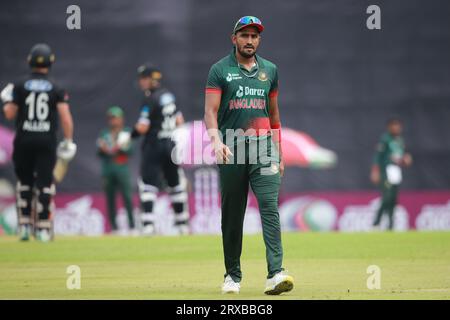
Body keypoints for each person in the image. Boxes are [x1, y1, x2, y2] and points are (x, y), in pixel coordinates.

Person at [203, 16, 294, 295]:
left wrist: (278, 152)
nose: (250, 41)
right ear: (234, 39)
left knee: (269, 206)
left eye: (254, 36)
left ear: (259, 40)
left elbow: (274, 115)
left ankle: (276, 273)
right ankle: (232, 275)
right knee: (232, 214)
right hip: (231, 148)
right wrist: (216, 141)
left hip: (264, 147)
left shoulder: (270, 70)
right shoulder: (220, 70)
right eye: (244, 35)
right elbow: (210, 112)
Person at [1, 43, 76, 242]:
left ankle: (24, 227)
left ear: (29, 61)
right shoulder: (56, 88)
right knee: (44, 184)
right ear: (51, 62)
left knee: (24, 184)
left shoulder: (19, 85)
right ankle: (43, 229)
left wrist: (7, 99)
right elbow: (65, 118)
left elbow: (9, 113)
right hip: (46, 141)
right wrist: (68, 141)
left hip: (24, 140)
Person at [132, 64, 189, 236]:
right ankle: (182, 225)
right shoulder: (169, 96)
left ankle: (148, 225)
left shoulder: (149, 98)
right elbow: (180, 120)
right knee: (175, 185)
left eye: (143, 78)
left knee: (148, 185)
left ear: (150, 79)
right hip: (171, 145)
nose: (141, 82)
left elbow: (142, 127)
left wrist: (130, 135)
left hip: (154, 145)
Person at [97, 106, 136, 234]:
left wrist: (115, 147)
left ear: (121, 119)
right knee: (110, 199)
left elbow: (129, 150)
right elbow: (99, 152)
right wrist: (104, 149)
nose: (113, 121)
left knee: (127, 198)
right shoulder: (104, 133)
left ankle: (132, 226)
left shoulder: (126, 132)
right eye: (111, 118)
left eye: (115, 118)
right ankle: (114, 227)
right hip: (108, 169)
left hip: (122, 168)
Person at [371, 117, 412, 230]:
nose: (396, 128)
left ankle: (391, 225)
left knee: (393, 199)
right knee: (387, 197)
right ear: (389, 127)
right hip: (386, 171)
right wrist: (375, 171)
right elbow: (377, 156)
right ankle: (376, 222)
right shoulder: (385, 139)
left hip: (396, 171)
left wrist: (406, 159)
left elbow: (400, 157)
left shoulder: (400, 140)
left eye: (398, 125)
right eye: (394, 125)